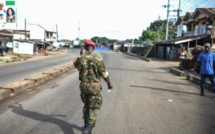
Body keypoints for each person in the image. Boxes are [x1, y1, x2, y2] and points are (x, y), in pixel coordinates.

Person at [73, 39, 113, 134]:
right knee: (94, 107)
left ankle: (86, 125)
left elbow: (76, 65)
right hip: (94, 86)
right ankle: (88, 129)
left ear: (85, 47)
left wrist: (81, 54)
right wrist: (109, 83)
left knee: (86, 105)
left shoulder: (81, 58)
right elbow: (103, 73)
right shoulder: (97, 58)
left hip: (83, 85)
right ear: (93, 48)